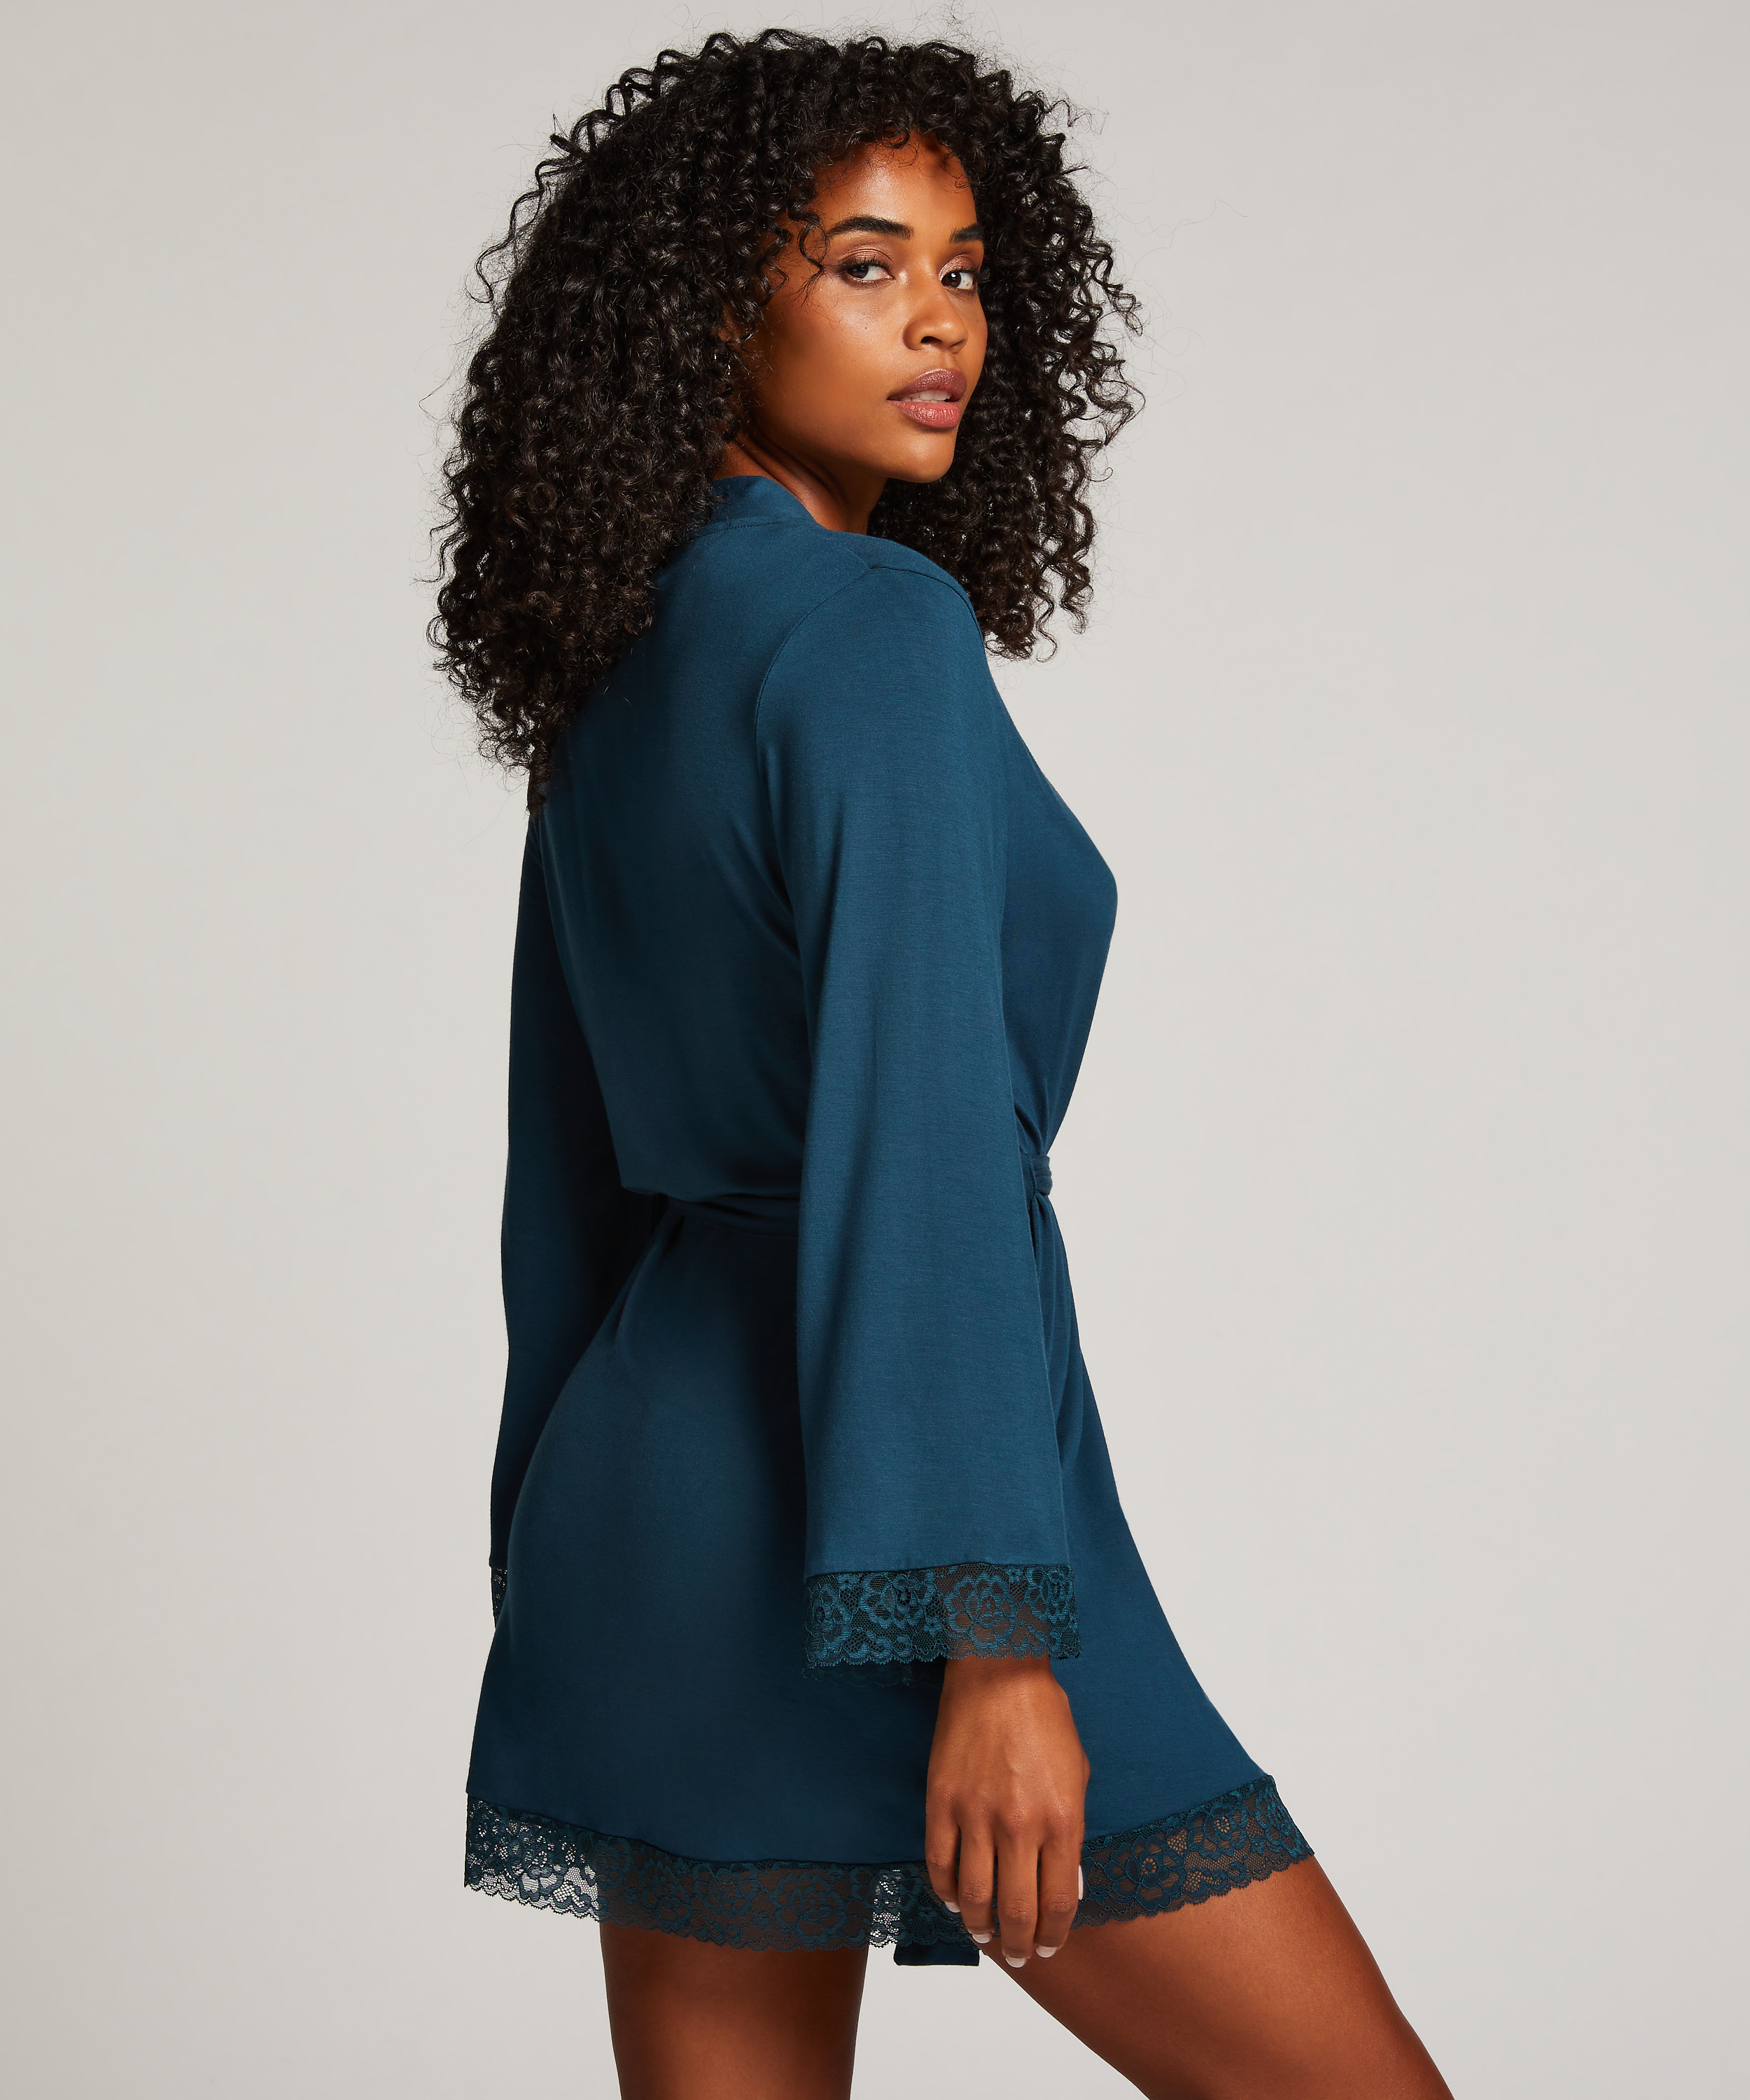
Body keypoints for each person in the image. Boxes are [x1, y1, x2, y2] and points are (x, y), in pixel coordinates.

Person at [432, 30, 1452, 2100]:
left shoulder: (620, 656)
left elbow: (567, 1163)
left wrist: (541, 1534)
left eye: (967, 270)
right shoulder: (868, 628)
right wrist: (993, 1642)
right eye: (866, 263)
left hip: (649, 1499)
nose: (941, 323)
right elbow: (919, 1147)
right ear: (712, 304)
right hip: (896, 1513)